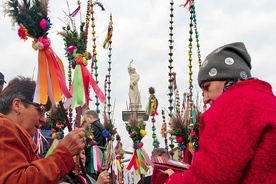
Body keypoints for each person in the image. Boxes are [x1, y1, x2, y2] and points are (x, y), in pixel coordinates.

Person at [165, 42, 276, 183]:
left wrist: (173, 180)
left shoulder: (235, 102)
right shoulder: (267, 102)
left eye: (207, 87)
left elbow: (210, 177)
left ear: (227, 78)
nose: (205, 99)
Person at [0, 76, 85, 183]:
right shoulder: (3, 127)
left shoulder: (16, 134)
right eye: (40, 110)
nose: (44, 120)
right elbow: (16, 180)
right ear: (17, 105)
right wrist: (63, 154)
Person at [84, 110, 106, 180]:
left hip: (92, 157)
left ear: (90, 117)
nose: (86, 123)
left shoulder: (91, 126)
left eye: (86, 120)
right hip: (101, 156)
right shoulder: (102, 127)